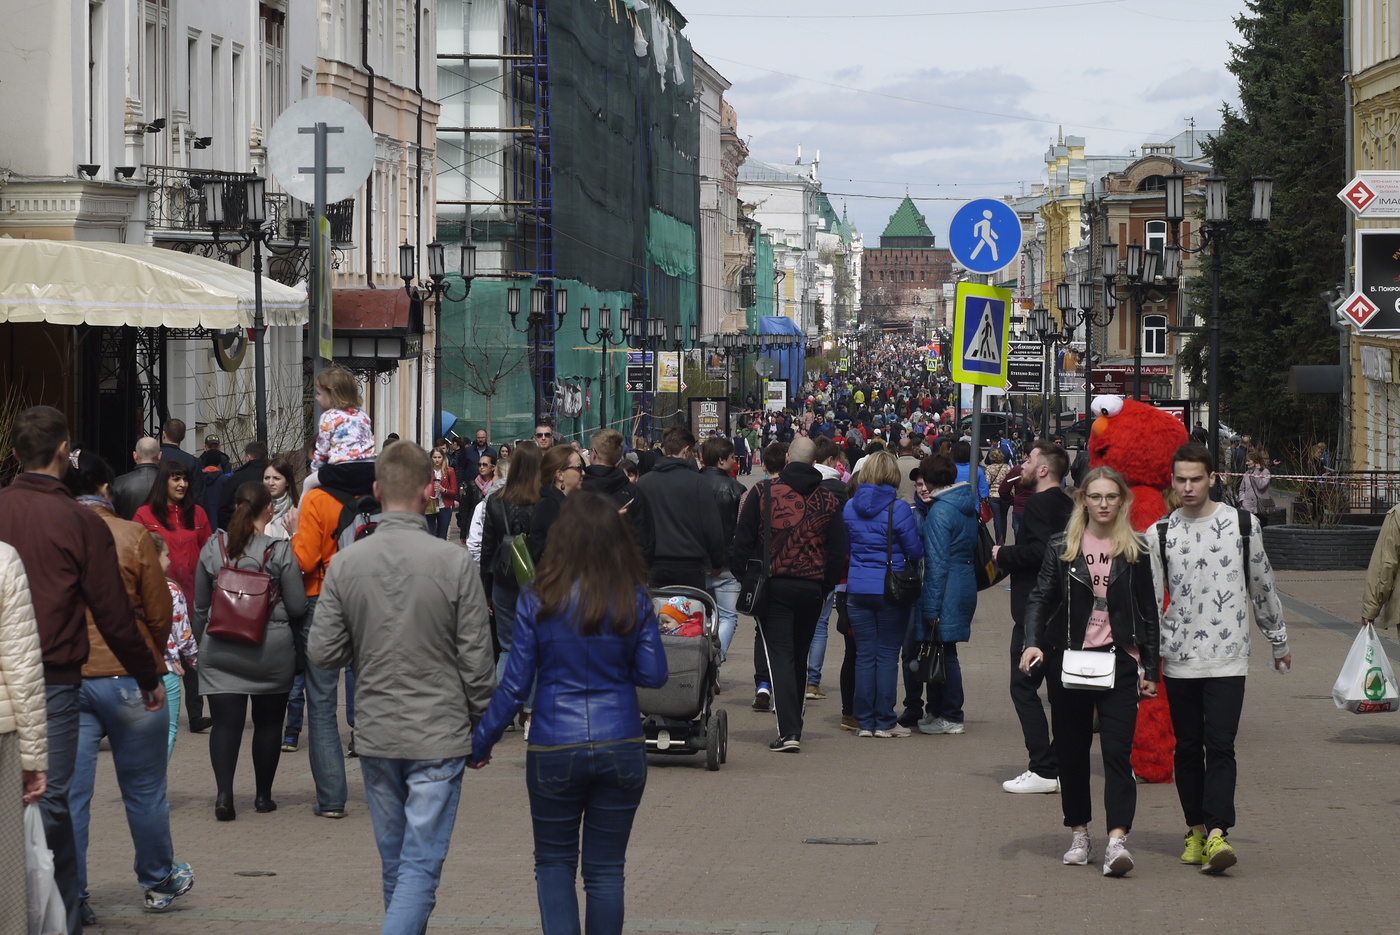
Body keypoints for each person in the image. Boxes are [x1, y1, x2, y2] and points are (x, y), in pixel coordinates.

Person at [303, 443, 495, 935]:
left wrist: (364, 641)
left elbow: (323, 652)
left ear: (375, 492)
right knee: (418, 870)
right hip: (438, 732)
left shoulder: (347, 564)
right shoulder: (453, 564)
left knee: (399, 867)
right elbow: (476, 660)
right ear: (431, 491)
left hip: (379, 731)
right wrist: (483, 725)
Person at [0, 406, 167, 933]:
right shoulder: (77, 520)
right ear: (61, 453)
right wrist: (147, 674)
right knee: (53, 801)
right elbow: (114, 613)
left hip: (6, 676)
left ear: (14, 454)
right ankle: (63, 914)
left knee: (33, 801)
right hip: (53, 677)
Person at [470, 490, 667, 935]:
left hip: (554, 744)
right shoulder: (633, 598)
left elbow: (515, 683)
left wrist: (480, 742)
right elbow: (654, 674)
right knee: (605, 871)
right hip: (620, 742)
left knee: (555, 864)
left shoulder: (538, 599)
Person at [1151, 442, 1291, 873]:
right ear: (1172, 481)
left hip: (1228, 656)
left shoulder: (1242, 525)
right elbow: (1151, 601)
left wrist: (1278, 639)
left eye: (1196, 478)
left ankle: (1217, 833)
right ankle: (1195, 829)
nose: (1188, 487)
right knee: (1188, 748)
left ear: (1212, 478)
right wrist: (1143, 659)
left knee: (1222, 745)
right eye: (1181, 479)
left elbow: (1261, 584)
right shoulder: (1160, 533)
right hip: (1179, 656)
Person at [64, 451, 187, 923]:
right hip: (129, 676)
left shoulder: (54, 535)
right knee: (145, 790)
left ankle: (73, 893)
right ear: (107, 490)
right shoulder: (132, 535)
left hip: (69, 676)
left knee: (72, 794)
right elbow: (159, 614)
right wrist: (150, 661)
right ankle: (157, 880)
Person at [1020, 467, 1161, 876]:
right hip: (1069, 659)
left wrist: (1150, 666)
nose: (1102, 504)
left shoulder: (1135, 548)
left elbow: (1148, 613)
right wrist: (1032, 641)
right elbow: (1040, 597)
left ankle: (1117, 840)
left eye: (1110, 497)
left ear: (1122, 501)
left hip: (1119, 662)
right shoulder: (1063, 545)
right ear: (1083, 499)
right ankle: (1080, 832)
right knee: (1072, 752)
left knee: (1117, 753)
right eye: (1095, 496)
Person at [194, 482, 307, 820]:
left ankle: (225, 796)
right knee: (269, 723)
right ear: (269, 510)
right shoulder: (280, 551)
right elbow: (299, 606)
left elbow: (200, 607)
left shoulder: (213, 548)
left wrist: (206, 644)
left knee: (225, 725)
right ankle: (262, 797)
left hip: (221, 650)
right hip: (269, 652)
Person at [730, 436, 846, 752]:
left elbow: (741, 542)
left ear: (786, 460)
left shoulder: (763, 492)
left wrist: (747, 579)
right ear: (813, 463)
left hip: (774, 585)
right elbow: (838, 550)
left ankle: (789, 730)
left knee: (779, 654)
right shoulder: (828, 499)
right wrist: (825, 585)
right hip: (812, 587)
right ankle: (794, 722)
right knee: (799, 652)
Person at [990, 441, 1074, 794]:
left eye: (1027, 460)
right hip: (1063, 609)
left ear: (1043, 470)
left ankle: (1043, 766)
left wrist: (1003, 553)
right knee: (1059, 692)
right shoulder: (1068, 504)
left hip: (1035, 611)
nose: (1021, 465)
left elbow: (1042, 553)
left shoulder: (1039, 503)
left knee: (1023, 687)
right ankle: (1061, 761)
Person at [842, 451, 923, 737]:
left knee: (864, 656)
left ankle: (864, 721)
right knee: (887, 655)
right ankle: (885, 720)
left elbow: (847, 547)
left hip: (857, 589)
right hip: (890, 589)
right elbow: (915, 551)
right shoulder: (899, 509)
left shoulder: (850, 507)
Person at [133, 458, 214, 734]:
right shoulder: (144, 515)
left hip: (193, 596)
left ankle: (196, 714)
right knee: (157, 653)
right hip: (157, 597)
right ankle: (150, 710)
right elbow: (136, 556)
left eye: (185, 479)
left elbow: (209, 554)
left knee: (192, 654)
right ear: (163, 482)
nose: (182, 484)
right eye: (175, 478)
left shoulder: (198, 515)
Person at [0, 540, 47, 935]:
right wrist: (32, 760)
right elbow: (21, 665)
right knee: (6, 871)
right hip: (2, 735)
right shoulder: (3, 559)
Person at [915, 453, 978, 736]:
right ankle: (938, 711)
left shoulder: (940, 511)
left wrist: (930, 607)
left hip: (947, 586)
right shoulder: (963, 505)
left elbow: (937, 563)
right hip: (962, 581)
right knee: (943, 651)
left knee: (945, 654)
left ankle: (951, 714)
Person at [479, 441, 543, 682]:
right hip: (537, 581)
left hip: (503, 578)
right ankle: (528, 711)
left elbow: (487, 548)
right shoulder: (542, 500)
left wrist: (486, 589)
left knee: (506, 647)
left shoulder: (495, 500)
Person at [636, 426, 726, 591]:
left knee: (658, 612)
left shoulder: (643, 483)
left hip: (655, 564)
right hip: (690, 563)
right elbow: (712, 527)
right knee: (691, 613)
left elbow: (638, 527)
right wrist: (716, 562)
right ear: (686, 450)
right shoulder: (698, 482)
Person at [149, 533, 197, 761]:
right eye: (166, 554)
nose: (170, 560)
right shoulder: (171, 590)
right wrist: (194, 659)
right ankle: (155, 783)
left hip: (136, 669)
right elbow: (183, 634)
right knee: (167, 729)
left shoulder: (125, 586)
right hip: (167, 668)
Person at [696, 437, 744, 664]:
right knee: (728, 616)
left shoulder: (692, 484)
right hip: (727, 564)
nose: (735, 462)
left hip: (696, 561)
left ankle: (701, 660)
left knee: (698, 614)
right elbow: (742, 529)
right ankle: (716, 659)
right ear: (722, 459)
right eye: (733, 458)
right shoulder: (737, 489)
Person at [581, 429, 654, 564]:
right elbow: (645, 539)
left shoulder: (578, 490)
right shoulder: (633, 492)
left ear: (594, 454)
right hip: (625, 572)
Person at [306, 364, 377, 490]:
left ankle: (299, 510)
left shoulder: (329, 417)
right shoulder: (363, 415)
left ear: (332, 395)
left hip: (343, 469)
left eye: (319, 393)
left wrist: (316, 470)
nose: (316, 398)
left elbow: (322, 449)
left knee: (308, 483)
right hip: (370, 469)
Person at [529, 445, 588, 561]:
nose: (584, 472)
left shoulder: (565, 503)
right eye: (579, 467)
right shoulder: (549, 507)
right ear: (560, 475)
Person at [218, 441, 271, 529]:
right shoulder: (274, 475)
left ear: (248, 457)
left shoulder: (236, 478)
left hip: (241, 530)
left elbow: (224, 509)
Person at [113, 436, 162, 520]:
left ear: (135, 456)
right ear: (159, 456)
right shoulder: (170, 483)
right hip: (162, 532)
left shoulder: (118, 483)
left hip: (129, 532)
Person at [458, 450, 498, 546]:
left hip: (493, 526)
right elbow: (466, 509)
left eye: (485, 465)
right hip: (475, 525)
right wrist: (463, 533)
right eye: (479, 465)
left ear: (493, 467)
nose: (481, 467)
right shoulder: (473, 484)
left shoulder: (497, 484)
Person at [158, 418, 203, 499]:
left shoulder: (154, 457)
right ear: (183, 437)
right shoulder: (192, 461)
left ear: (163, 434)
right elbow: (198, 493)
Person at [263, 458, 300, 540]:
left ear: (287, 482)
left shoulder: (298, 511)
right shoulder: (255, 510)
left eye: (276, 478)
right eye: (267, 478)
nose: (270, 483)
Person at [427, 447, 457, 539]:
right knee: (430, 534)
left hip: (444, 506)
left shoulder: (449, 471)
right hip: (430, 505)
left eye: (439, 457)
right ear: (431, 458)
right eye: (434, 457)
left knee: (442, 535)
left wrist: (444, 490)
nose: (437, 460)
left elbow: (454, 491)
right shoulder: (427, 471)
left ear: (443, 458)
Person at [1237, 450, 1272, 526]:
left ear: (1255, 461)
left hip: (1260, 509)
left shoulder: (1265, 472)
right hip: (1247, 508)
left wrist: (1256, 472)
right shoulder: (1247, 473)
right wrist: (1242, 500)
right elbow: (1241, 489)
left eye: (1248, 461)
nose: (1246, 463)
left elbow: (1261, 485)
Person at [984, 449, 1011, 545]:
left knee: (997, 518)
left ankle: (999, 541)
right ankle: (1004, 538)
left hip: (993, 495)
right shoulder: (1007, 467)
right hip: (1005, 496)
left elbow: (987, 482)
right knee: (1004, 518)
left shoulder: (989, 468)